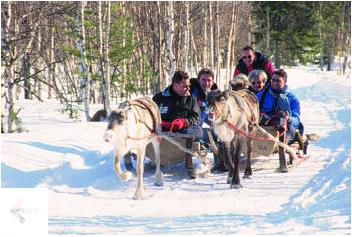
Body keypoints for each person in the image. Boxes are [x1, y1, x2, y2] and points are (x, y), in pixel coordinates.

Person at [153, 70, 202, 179]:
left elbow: (196, 117)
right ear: (175, 85)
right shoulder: (159, 98)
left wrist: (184, 122)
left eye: (189, 86)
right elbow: (149, 115)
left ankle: (188, 162)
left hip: (182, 133)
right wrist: (161, 123)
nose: (188, 89)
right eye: (185, 86)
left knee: (198, 131)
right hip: (162, 132)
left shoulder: (191, 100)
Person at [189, 68, 226, 172]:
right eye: (203, 80)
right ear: (198, 80)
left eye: (209, 80)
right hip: (195, 127)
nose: (206, 83)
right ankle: (204, 161)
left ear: (213, 81)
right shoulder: (192, 93)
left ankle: (221, 161)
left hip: (210, 127)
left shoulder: (217, 95)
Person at [256, 69, 304, 143]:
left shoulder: (292, 98)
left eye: (278, 81)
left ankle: (288, 139)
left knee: (282, 120)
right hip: (264, 123)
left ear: (284, 82)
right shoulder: (262, 94)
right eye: (273, 80)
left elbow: (296, 120)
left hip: (283, 125)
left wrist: (289, 118)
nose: (274, 83)